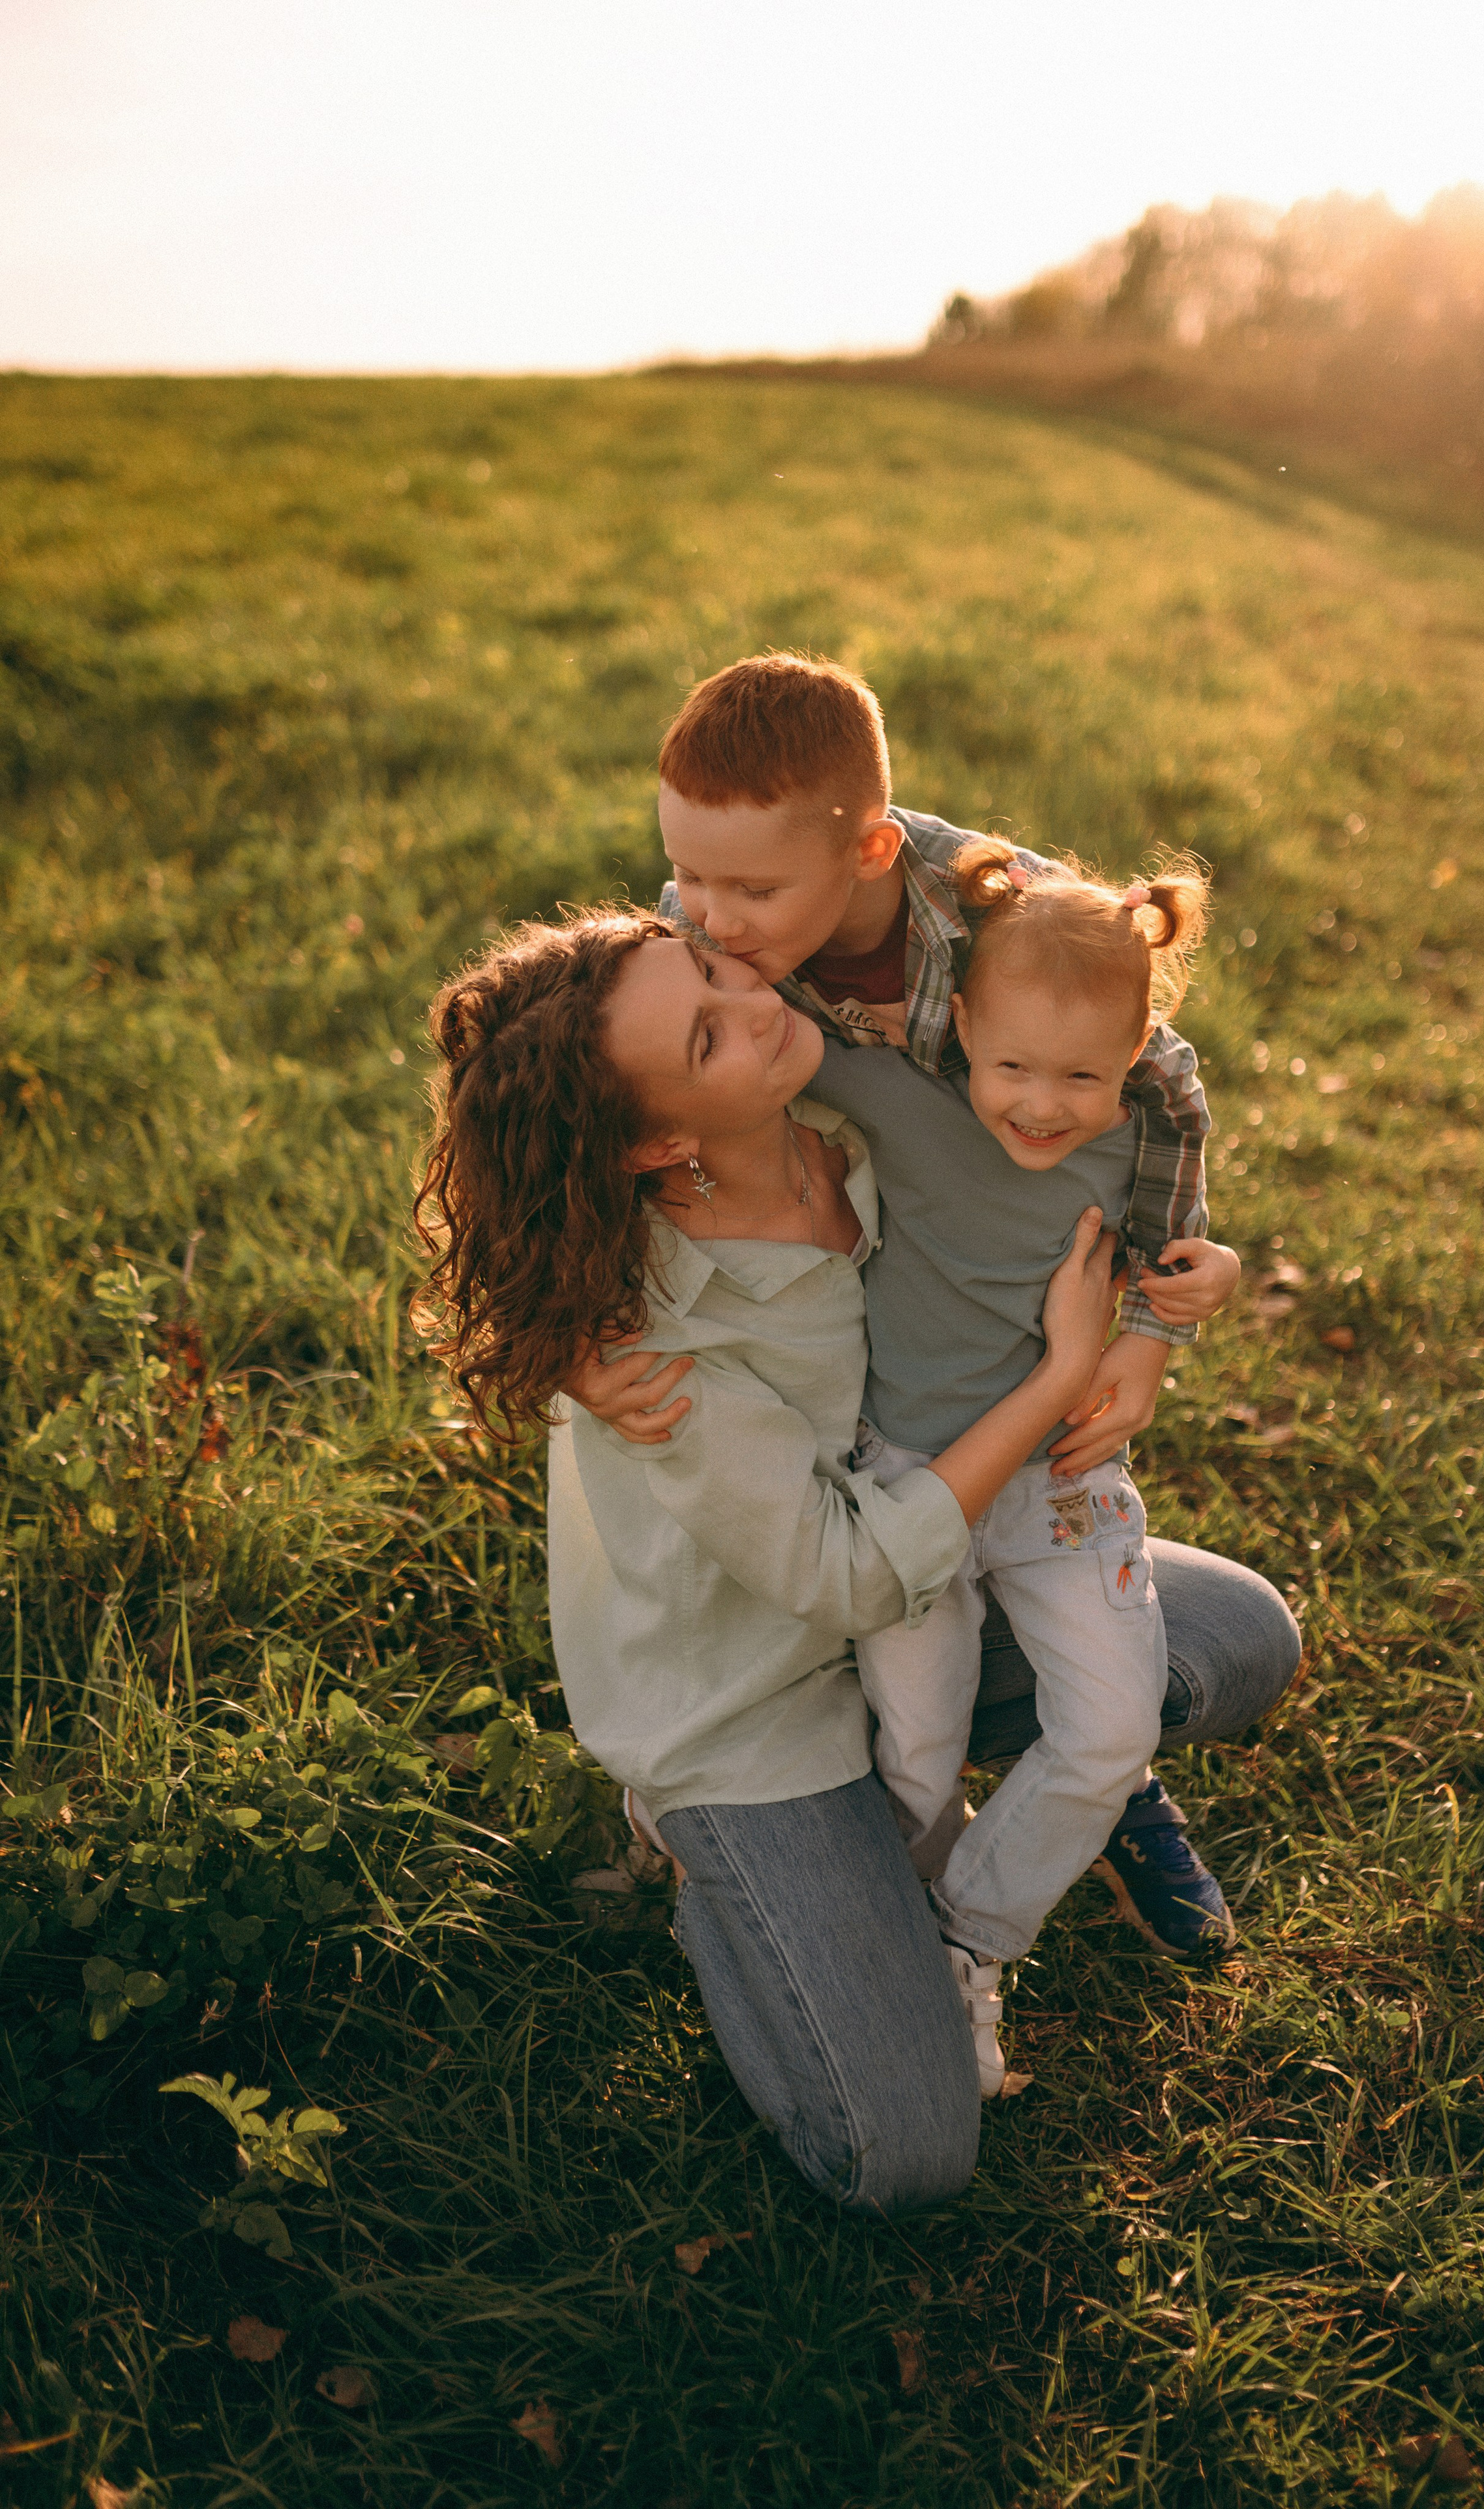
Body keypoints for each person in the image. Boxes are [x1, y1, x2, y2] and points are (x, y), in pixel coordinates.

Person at [567, 655, 1298, 1963]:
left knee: (1225, 1641)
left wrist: (1157, 1312)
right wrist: (565, 1349)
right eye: (686, 876)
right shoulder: (714, 946)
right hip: (850, 1430)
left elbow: (1155, 1065)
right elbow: (590, 1090)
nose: (708, 919)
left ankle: (1083, 1782)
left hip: (974, 1342)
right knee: (905, 1656)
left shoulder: (988, 916)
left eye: (749, 889)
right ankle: (846, 1830)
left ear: (869, 847)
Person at [414, 905, 1124, 2218]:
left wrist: (1145, 1335)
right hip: (755, 1704)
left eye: (711, 968)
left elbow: (1060, 976)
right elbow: (851, 1574)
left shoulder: (850, 1110)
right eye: (706, 1031)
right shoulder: (641, 1339)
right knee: (902, 2154)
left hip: (937, 1589)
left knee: (1230, 1644)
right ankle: (706, 1869)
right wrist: (1059, 1379)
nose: (757, 1003)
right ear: (655, 1141)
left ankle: (1016, 1788)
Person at [810, 834, 1239, 2092]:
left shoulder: (1143, 1132)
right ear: (956, 1033)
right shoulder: (901, 1092)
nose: (1044, 1105)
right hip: (908, 1487)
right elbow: (732, 984)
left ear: (1133, 1061)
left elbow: (1182, 1258)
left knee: (1110, 1729)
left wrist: (1177, 1308)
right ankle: (860, 1928)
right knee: (918, 1749)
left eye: (1082, 1076)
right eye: (1011, 1067)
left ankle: (971, 1939)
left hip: (1063, 1491)